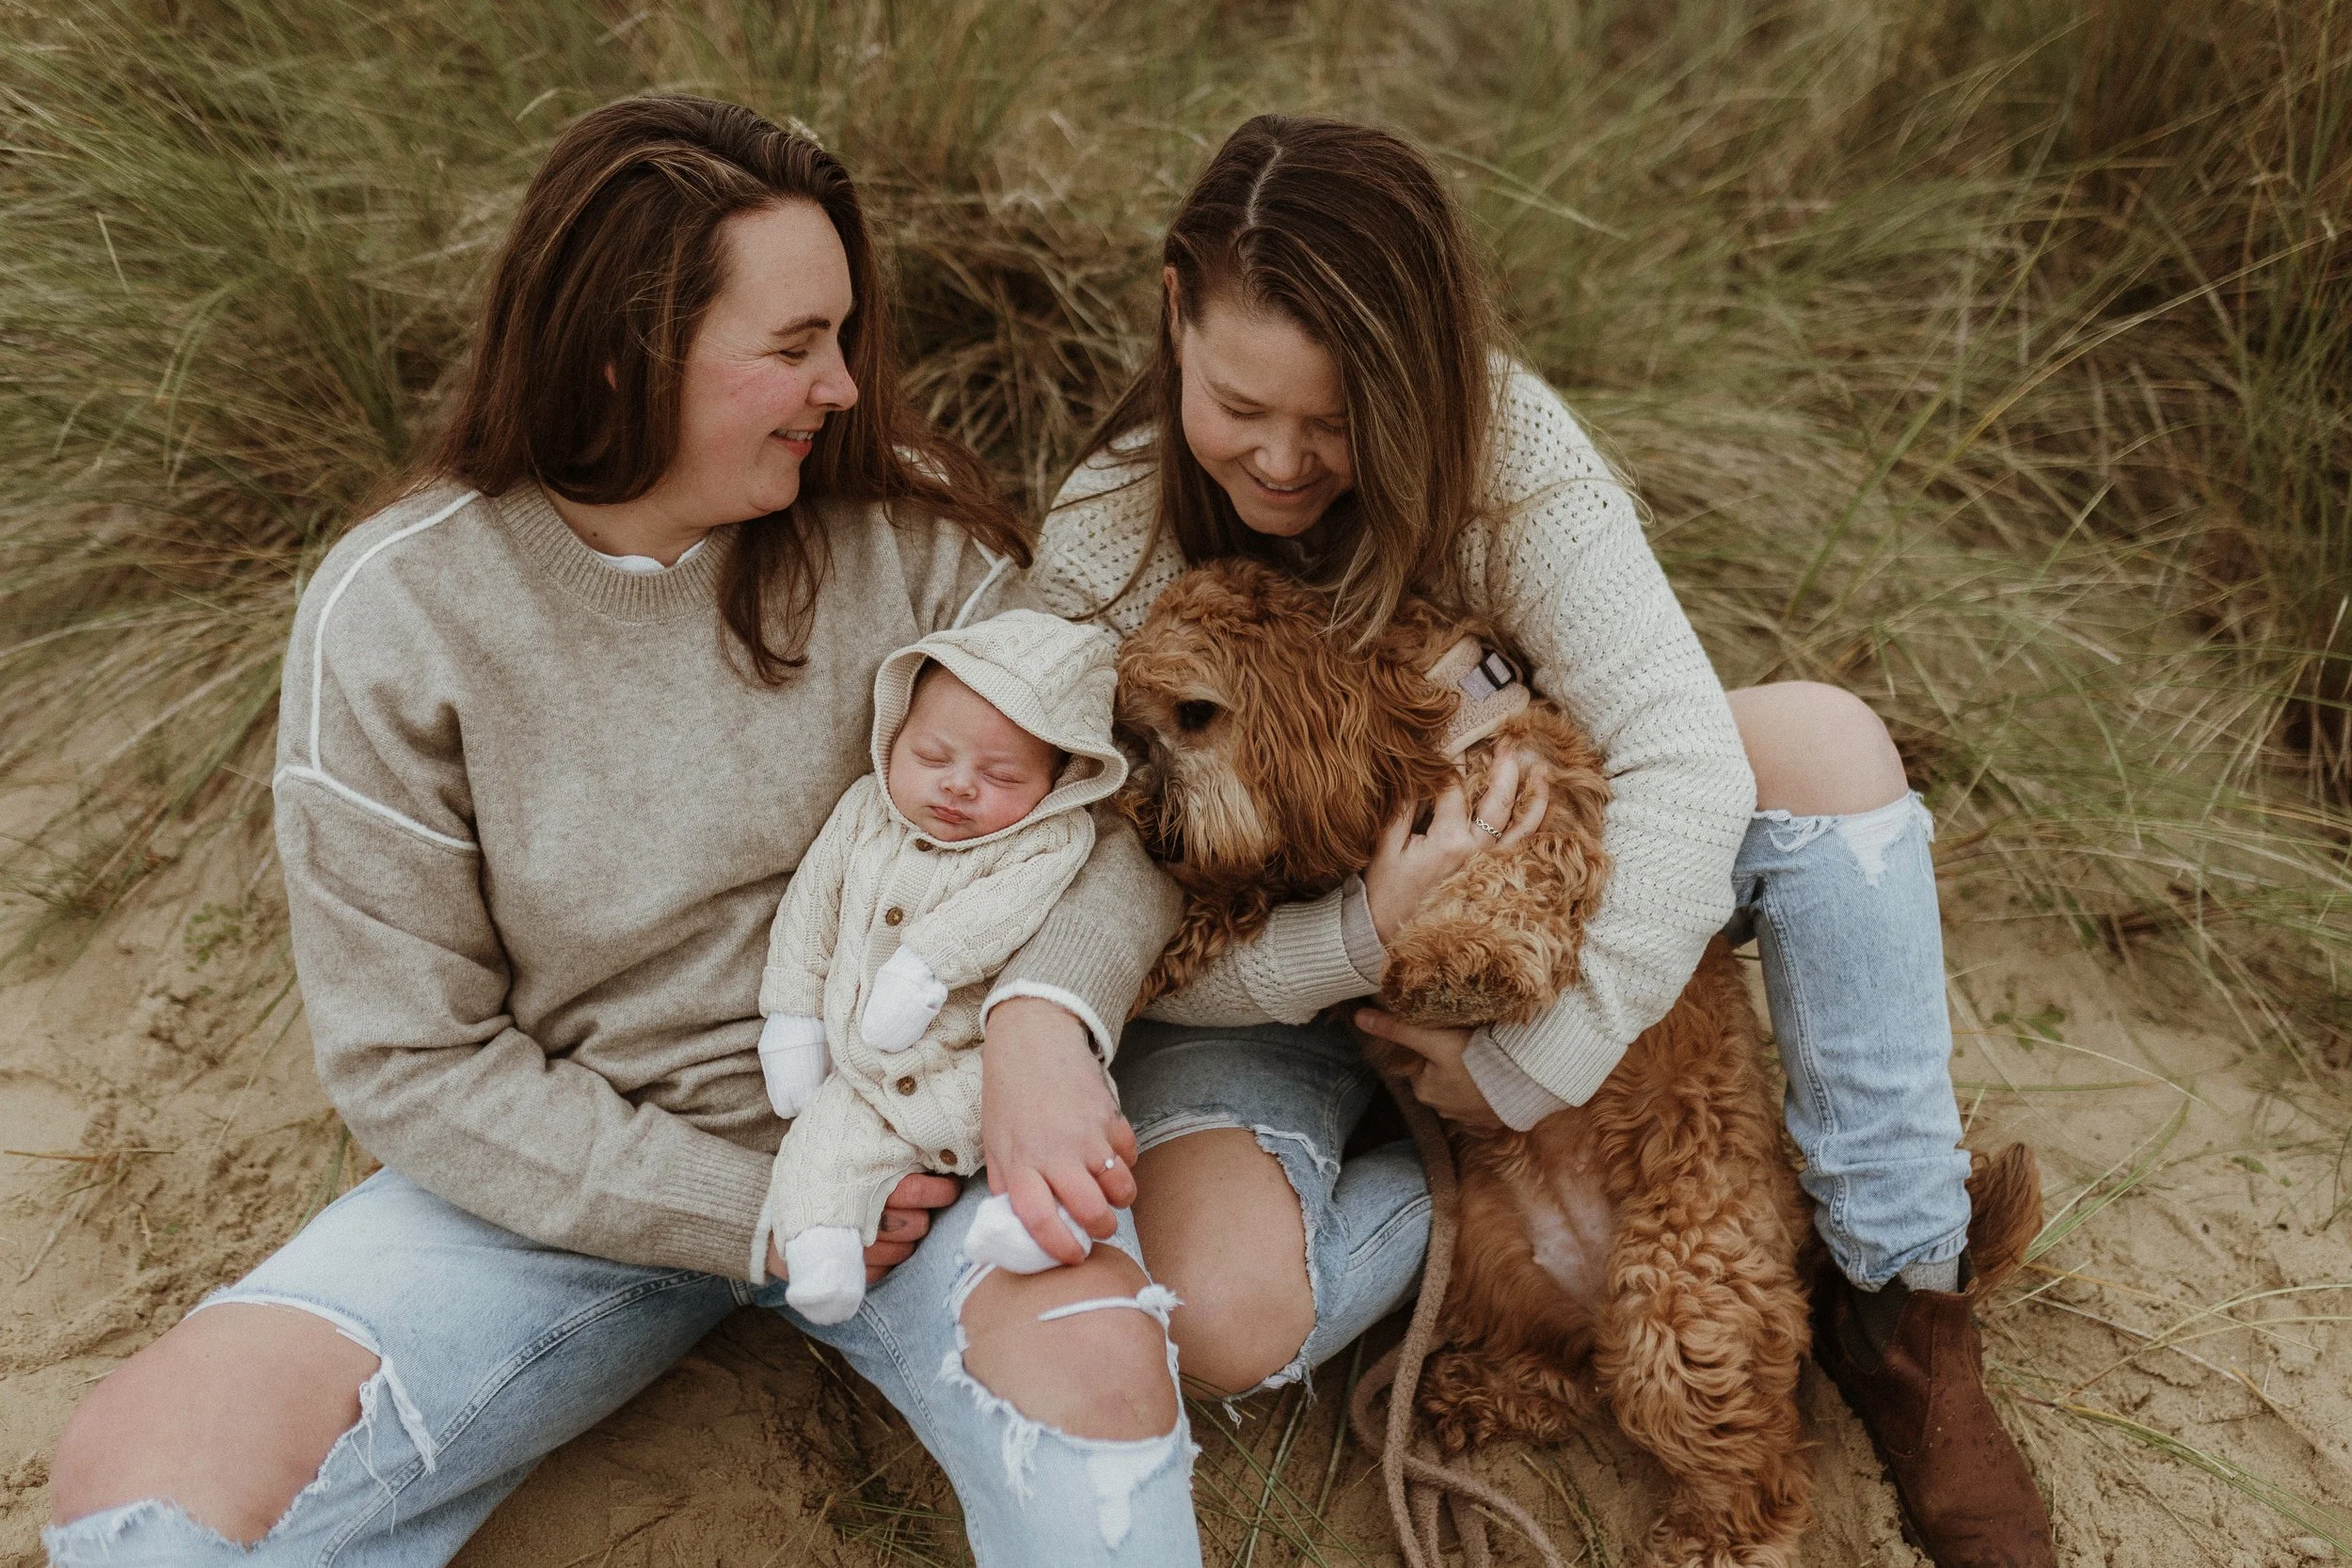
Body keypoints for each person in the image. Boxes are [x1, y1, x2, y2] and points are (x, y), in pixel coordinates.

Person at [44, 96, 1200, 1568]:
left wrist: (1044, 1018)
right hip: (574, 1179)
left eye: (843, 335)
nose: (845, 386)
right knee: (133, 1488)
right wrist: (753, 1210)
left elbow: (1115, 814)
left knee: (1101, 1408)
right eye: (792, 348)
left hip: (921, 1134)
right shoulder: (400, 611)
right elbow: (413, 1057)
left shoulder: (908, 539)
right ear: (622, 352)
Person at [1028, 114, 2057, 1568]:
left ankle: (1903, 1304)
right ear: (1174, 316)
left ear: (1421, 376)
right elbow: (1084, 900)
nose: (1280, 460)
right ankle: (1489, 1265)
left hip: (1524, 927)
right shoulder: (1104, 535)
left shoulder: (1504, 445)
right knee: (1215, 1315)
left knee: (1821, 744)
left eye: (1336, 422)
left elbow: (1683, 757)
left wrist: (1531, 1061)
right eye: (1238, 402)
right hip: (1260, 966)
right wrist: (1359, 937)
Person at [758, 611, 1127, 1323]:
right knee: (818, 1146)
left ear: (1059, 782)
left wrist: (925, 966)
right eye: (932, 757)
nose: (959, 786)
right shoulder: (864, 812)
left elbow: (1000, 913)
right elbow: (810, 912)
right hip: (862, 1075)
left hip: (980, 1064)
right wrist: (793, 1015)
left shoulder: (1050, 841)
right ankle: (822, 1251)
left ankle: (1031, 1224)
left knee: (1058, 1127)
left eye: (1000, 775)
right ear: (893, 739)